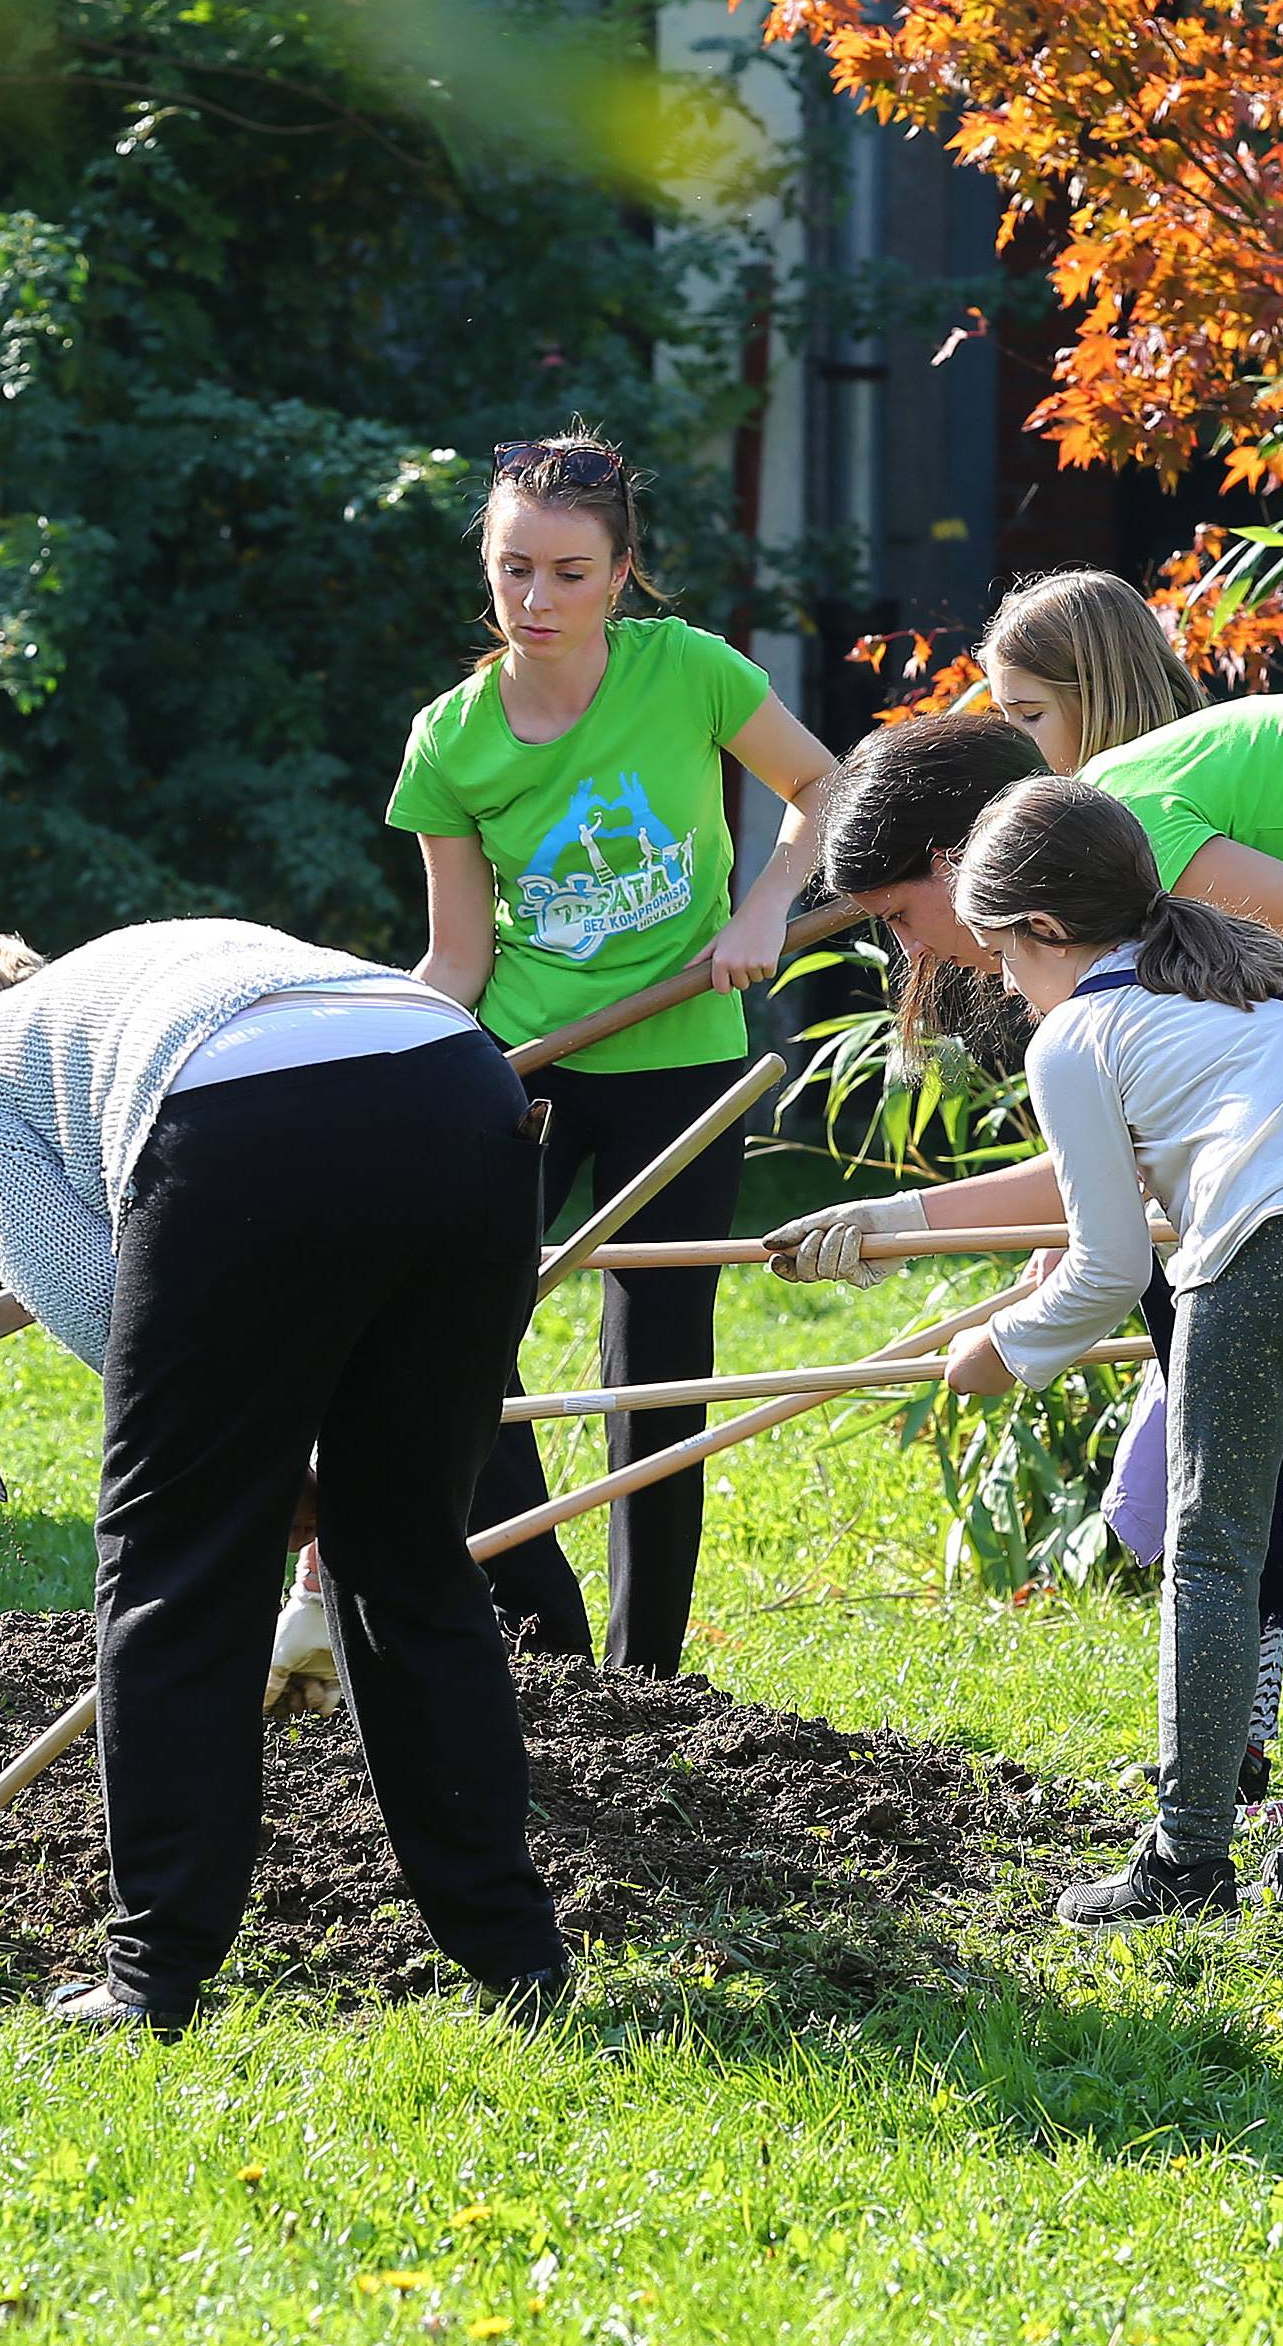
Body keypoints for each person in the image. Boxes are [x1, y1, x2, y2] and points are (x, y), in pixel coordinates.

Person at [782, 599, 1283, 1857]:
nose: (912, 949)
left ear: (964, 876)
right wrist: (896, 1216)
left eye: (897, 917)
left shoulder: (1124, 838)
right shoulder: (1119, 893)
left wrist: (1014, 1344)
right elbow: (1175, 1144)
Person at [0, 916, 566, 2033]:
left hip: (246, 1128)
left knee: (175, 1570)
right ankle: (521, 1963)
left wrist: (258, 1476)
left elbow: (90, 1293)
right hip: (462, 1088)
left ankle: (153, 1981)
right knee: (410, 1562)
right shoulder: (133, 970)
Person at [918, 779, 1283, 1922]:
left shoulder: (1076, 1035)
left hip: (1267, 1247)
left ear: (1047, 932)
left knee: (1212, 1555)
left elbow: (1106, 1271)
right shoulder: (1267, 968)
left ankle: (1189, 1860)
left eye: (1003, 957)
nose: (1005, 985)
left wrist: (998, 1353)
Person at [385, 430, 835, 1676]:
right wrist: (388, 1059)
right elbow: (457, 962)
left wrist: (764, 909)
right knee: (452, 1335)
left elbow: (824, 790)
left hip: (681, 1063)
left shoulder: (688, 672)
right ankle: (544, 1628)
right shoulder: (451, 740)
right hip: (520, 1072)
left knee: (655, 1367)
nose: (535, 600)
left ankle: (648, 1677)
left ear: (625, 572)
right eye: (512, 568)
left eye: (569, 573)